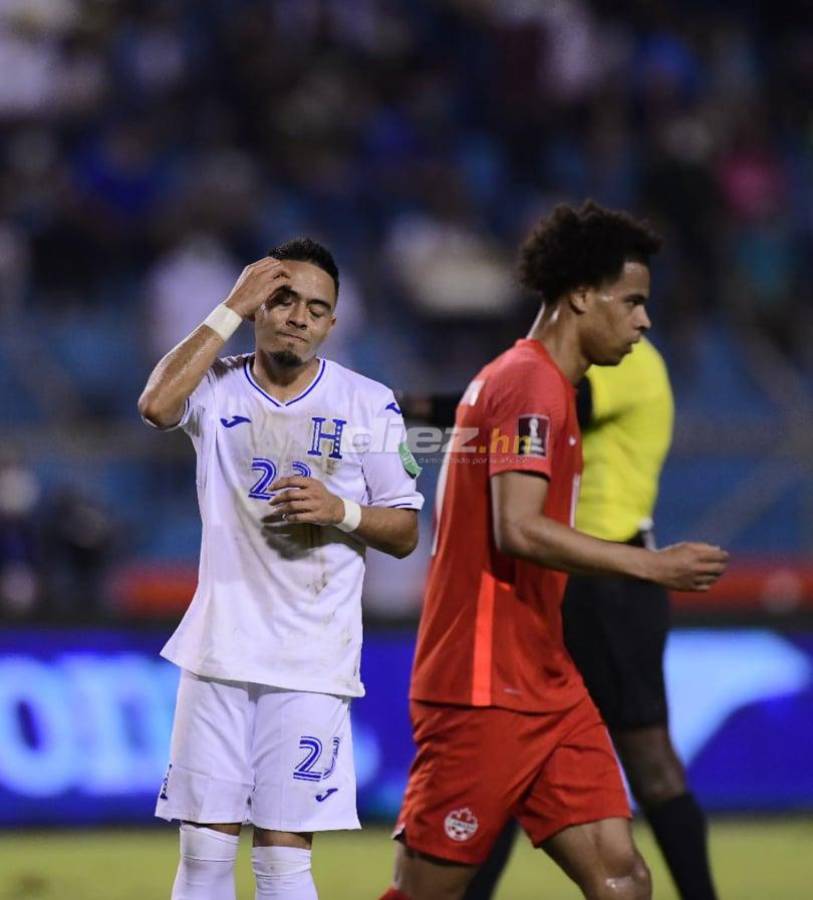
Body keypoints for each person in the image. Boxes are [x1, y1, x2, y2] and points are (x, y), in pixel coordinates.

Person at [378, 201, 728, 900]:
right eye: (631, 302)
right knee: (427, 892)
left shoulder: (544, 385)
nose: (644, 321)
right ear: (582, 295)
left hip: (544, 680)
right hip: (483, 687)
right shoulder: (529, 384)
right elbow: (518, 528)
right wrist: (652, 565)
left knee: (623, 878)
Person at [138, 238, 424, 900]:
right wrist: (226, 309)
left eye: (315, 309)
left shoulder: (367, 402)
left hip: (310, 662)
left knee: (282, 861)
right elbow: (155, 406)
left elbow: (405, 531)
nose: (298, 317)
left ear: (331, 324)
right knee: (203, 854)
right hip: (217, 651)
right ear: (258, 307)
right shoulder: (216, 384)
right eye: (283, 300)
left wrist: (340, 510)